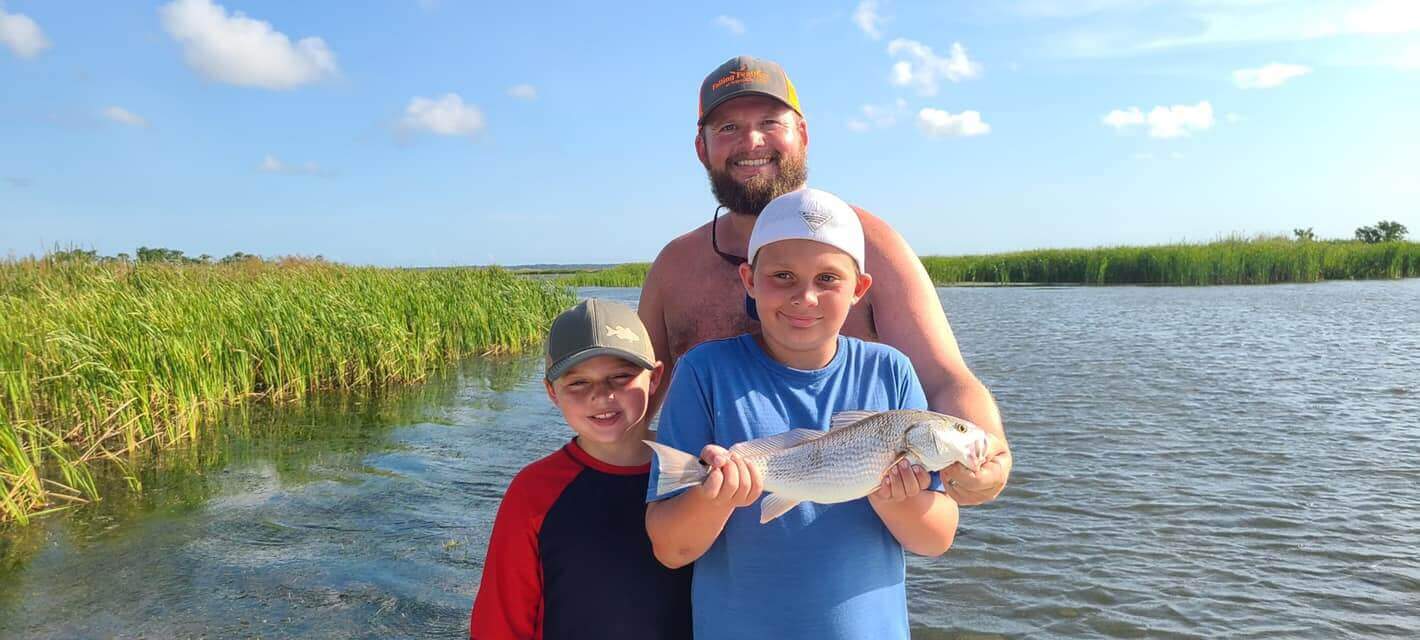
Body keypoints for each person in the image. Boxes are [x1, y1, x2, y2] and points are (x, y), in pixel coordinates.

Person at [638, 55, 1011, 505]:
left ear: (803, 136)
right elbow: (629, 404)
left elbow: (948, 379)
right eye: (727, 128)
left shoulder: (875, 246)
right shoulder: (675, 267)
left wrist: (992, 453)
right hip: (707, 562)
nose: (751, 141)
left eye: (770, 122)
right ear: (702, 149)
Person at [645, 187, 959, 639]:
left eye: (828, 279)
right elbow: (671, 549)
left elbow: (936, 539)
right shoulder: (703, 373)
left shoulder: (891, 372)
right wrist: (715, 498)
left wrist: (899, 499)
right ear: (749, 280)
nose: (805, 297)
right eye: (783, 276)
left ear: (860, 289)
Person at [469, 299, 691, 640]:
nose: (601, 396)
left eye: (620, 377)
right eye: (578, 383)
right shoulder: (533, 493)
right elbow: (499, 623)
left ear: (656, 378)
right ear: (551, 392)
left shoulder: (696, 474)